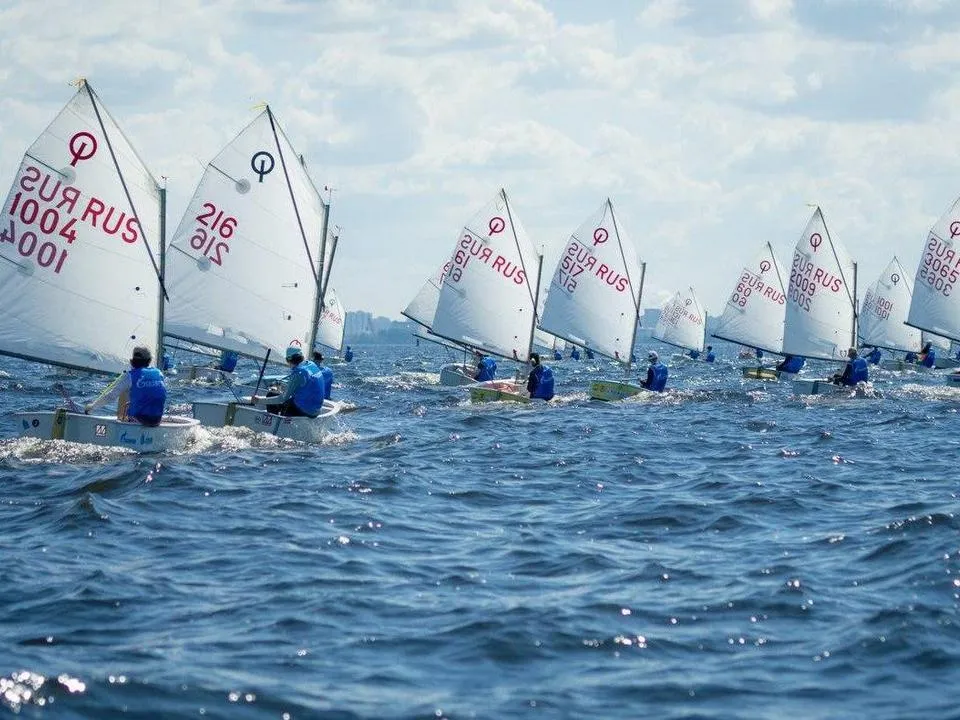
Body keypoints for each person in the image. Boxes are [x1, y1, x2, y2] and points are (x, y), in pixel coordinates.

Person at [84, 346, 167, 426]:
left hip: (138, 421)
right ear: (149, 360)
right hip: (156, 420)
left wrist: (92, 407)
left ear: (132, 361)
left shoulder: (130, 376)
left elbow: (111, 396)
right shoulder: (159, 373)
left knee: (125, 391)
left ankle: (121, 420)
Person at [252, 346, 325, 417]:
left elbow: (282, 399)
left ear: (289, 360)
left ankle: (274, 423)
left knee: (271, 395)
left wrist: (259, 400)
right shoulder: (311, 364)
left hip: (305, 411)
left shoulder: (299, 373)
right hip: (317, 409)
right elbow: (305, 384)